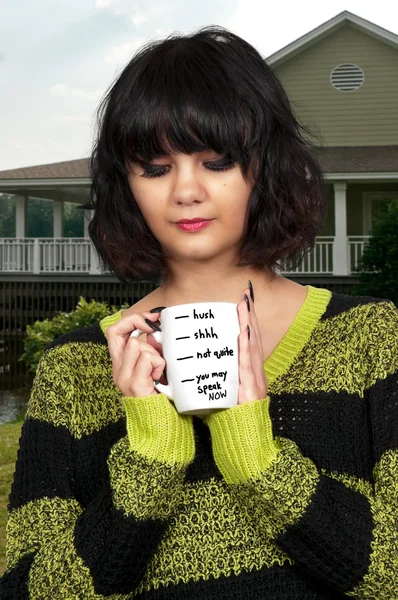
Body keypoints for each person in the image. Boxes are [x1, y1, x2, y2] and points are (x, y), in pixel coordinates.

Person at [1, 25, 397, 600]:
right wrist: (149, 464)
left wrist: (257, 459)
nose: (186, 191)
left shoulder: (372, 337)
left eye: (217, 162)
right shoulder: (74, 372)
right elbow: (25, 590)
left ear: (268, 168)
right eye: (156, 168)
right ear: (125, 186)